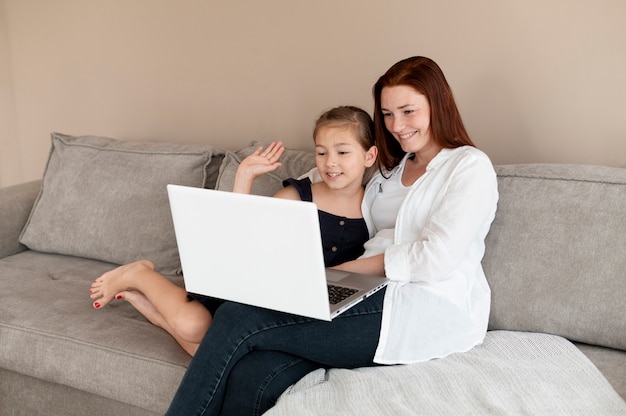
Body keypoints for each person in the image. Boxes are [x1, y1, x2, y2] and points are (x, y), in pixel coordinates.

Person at [164, 56, 499, 416]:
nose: (397, 125)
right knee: (253, 373)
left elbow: (435, 259)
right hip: (357, 288)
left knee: (236, 318)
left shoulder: (469, 167)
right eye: (387, 114)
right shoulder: (390, 170)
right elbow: (332, 177)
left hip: (414, 306)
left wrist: (346, 270)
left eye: (408, 111)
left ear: (438, 104)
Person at [88, 105, 378, 357]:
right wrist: (244, 177)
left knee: (210, 351)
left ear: (369, 156)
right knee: (195, 327)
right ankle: (137, 273)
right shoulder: (296, 195)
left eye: (342, 152)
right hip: (254, 289)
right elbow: (242, 241)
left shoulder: (375, 207)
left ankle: (161, 318)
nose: (330, 162)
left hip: (303, 304)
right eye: (321, 152)